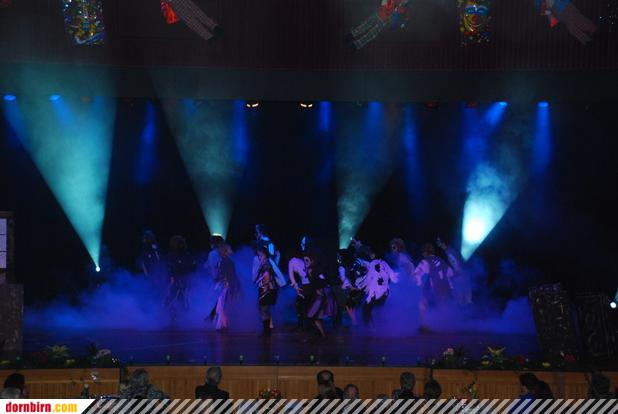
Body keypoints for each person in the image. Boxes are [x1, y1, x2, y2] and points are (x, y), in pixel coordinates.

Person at [414, 243, 454, 329]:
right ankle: (446, 324)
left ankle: (423, 324)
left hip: (436, 287)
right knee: (444, 304)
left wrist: (419, 285)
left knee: (422, 302)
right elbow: (451, 273)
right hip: (447, 287)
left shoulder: (425, 261)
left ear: (425, 253)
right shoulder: (442, 261)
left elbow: (416, 274)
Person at [356, 249, 398, 326]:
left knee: (366, 309)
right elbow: (393, 277)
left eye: (372, 253)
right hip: (384, 292)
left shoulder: (373, 263)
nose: (370, 255)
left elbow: (368, 278)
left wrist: (359, 286)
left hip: (375, 292)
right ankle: (377, 327)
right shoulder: (385, 264)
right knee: (375, 309)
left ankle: (369, 327)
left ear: (375, 254)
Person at [304, 253, 336, 338]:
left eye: (307, 260)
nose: (305, 262)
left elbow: (323, 280)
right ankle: (322, 335)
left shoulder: (316, 270)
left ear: (312, 261)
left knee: (311, 315)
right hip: (320, 294)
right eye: (304, 260)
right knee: (315, 316)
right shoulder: (310, 270)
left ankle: (310, 336)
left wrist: (319, 289)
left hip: (323, 293)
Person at [208, 243, 240, 330]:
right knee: (220, 305)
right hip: (224, 284)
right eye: (229, 249)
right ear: (225, 251)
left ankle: (223, 324)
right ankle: (222, 324)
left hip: (225, 284)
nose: (231, 251)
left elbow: (228, 274)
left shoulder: (226, 261)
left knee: (220, 305)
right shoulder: (225, 261)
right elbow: (225, 274)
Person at [165, 235, 196, 315]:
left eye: (181, 243)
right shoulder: (171, 255)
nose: (181, 245)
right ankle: (168, 311)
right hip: (176, 278)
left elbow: (192, 266)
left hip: (184, 278)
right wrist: (172, 277)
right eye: (179, 243)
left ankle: (183, 313)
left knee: (183, 296)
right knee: (172, 295)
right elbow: (170, 267)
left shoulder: (187, 255)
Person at [436, 238, 472, 305]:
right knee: (464, 294)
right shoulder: (449, 251)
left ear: (443, 243)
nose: (437, 243)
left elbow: (456, 263)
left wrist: (457, 272)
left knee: (462, 294)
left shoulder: (449, 252)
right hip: (463, 273)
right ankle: (466, 307)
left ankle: (465, 307)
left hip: (462, 274)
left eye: (438, 241)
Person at [337, 249, 367, 326]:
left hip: (353, 288)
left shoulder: (342, 267)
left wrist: (351, 287)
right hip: (360, 286)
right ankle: (357, 321)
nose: (338, 257)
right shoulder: (356, 262)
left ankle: (355, 322)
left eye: (339, 256)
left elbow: (344, 279)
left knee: (349, 305)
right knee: (354, 305)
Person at [254, 247, 278, 338]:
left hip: (266, 289)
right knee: (264, 310)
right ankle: (266, 332)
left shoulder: (266, 264)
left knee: (264, 309)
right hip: (266, 288)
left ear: (265, 255)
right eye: (258, 255)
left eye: (260, 255)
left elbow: (267, 276)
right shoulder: (265, 263)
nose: (259, 257)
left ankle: (266, 332)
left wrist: (265, 287)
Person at [288, 237, 311, 330]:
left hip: (310, 285)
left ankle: (306, 325)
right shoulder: (297, 260)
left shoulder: (307, 257)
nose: (302, 246)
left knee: (304, 305)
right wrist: (296, 287)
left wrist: (296, 287)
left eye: (303, 244)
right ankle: (304, 324)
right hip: (306, 285)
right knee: (302, 304)